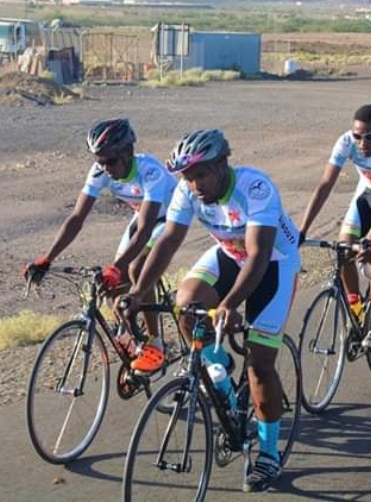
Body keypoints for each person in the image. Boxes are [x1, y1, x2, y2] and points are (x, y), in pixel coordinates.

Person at [117, 129, 300, 493]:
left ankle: (268, 455)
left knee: (259, 364)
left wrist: (229, 304)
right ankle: (220, 374)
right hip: (230, 254)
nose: (194, 184)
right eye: (187, 177)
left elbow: (259, 255)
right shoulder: (187, 191)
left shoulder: (255, 188)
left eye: (201, 174)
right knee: (185, 306)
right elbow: (169, 240)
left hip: (274, 263)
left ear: (222, 164)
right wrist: (137, 291)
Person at [23, 118, 177, 373]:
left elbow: (146, 230)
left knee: (137, 268)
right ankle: (133, 339)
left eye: (111, 161)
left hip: (168, 219)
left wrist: (117, 267)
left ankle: (155, 343)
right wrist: (47, 258)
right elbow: (77, 218)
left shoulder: (151, 172)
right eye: (100, 161)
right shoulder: (100, 171)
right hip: (142, 218)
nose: (105, 168)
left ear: (128, 151)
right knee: (113, 285)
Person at [298, 104, 371, 352]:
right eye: (357, 136)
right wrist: (302, 230)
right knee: (344, 249)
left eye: (370, 137)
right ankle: (357, 308)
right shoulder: (345, 143)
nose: (362, 143)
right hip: (366, 193)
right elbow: (325, 185)